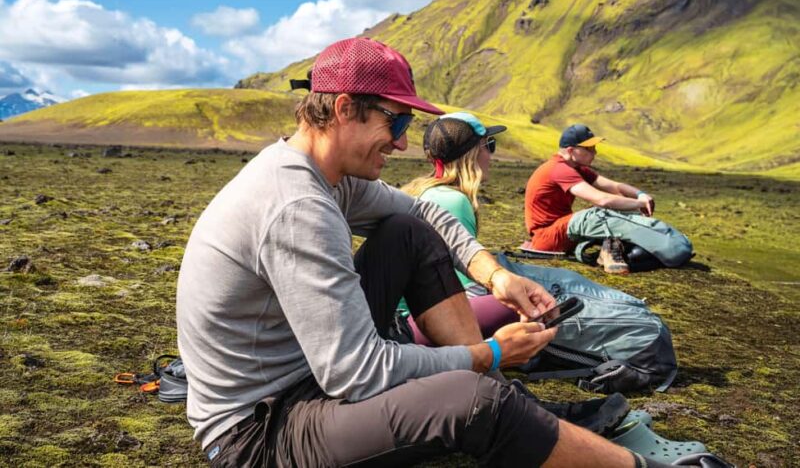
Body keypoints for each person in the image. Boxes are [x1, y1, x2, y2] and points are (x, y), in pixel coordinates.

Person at [176, 37, 662, 467]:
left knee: (408, 231)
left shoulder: (324, 176)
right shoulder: (296, 205)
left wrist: (497, 278)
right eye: (397, 119)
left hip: (306, 375)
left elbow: (428, 217)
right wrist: (488, 353)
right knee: (474, 402)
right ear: (345, 109)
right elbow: (358, 373)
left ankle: (511, 400)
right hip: (260, 431)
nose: (405, 141)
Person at [401, 111, 518, 343]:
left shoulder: (418, 190)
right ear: (473, 153)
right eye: (489, 145)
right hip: (412, 325)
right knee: (520, 303)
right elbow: (467, 291)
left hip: (400, 319)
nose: (491, 156)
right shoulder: (454, 201)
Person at [525, 124, 679, 274]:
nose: (595, 152)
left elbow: (614, 186)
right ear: (571, 150)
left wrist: (640, 195)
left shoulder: (576, 168)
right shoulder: (559, 169)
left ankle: (616, 246)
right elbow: (602, 199)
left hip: (560, 231)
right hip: (546, 237)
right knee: (596, 214)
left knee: (611, 209)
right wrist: (638, 204)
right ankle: (614, 247)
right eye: (589, 149)